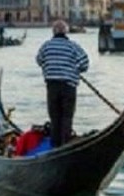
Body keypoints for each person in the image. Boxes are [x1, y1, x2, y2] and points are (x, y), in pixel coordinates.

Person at [35, 20, 89, 148]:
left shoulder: (46, 46)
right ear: (66, 31)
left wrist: (51, 66)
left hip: (52, 86)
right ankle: (65, 145)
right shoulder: (73, 46)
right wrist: (74, 68)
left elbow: (39, 60)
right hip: (68, 85)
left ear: (53, 32)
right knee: (67, 116)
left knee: (55, 117)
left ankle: (55, 145)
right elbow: (85, 64)